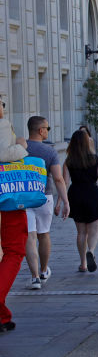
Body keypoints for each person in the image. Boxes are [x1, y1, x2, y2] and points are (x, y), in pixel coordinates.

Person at [24, 116, 70, 289]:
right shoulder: (50, 152)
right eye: (47, 128)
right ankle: (43, 271)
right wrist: (65, 201)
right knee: (44, 234)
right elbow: (58, 179)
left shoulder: (20, 148)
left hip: (24, 198)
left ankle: (35, 277)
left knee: (30, 236)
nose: (48, 131)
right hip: (44, 197)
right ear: (40, 130)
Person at [0, 96, 30, 332]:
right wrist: (21, 146)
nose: (3, 107)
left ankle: (2, 315)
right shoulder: (1, 124)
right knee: (15, 250)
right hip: (6, 198)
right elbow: (4, 154)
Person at [63, 130, 98, 273]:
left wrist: (63, 202)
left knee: (81, 232)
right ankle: (91, 251)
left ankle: (83, 263)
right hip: (93, 194)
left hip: (75, 195)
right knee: (93, 231)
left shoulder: (68, 161)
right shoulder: (95, 159)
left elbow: (65, 183)